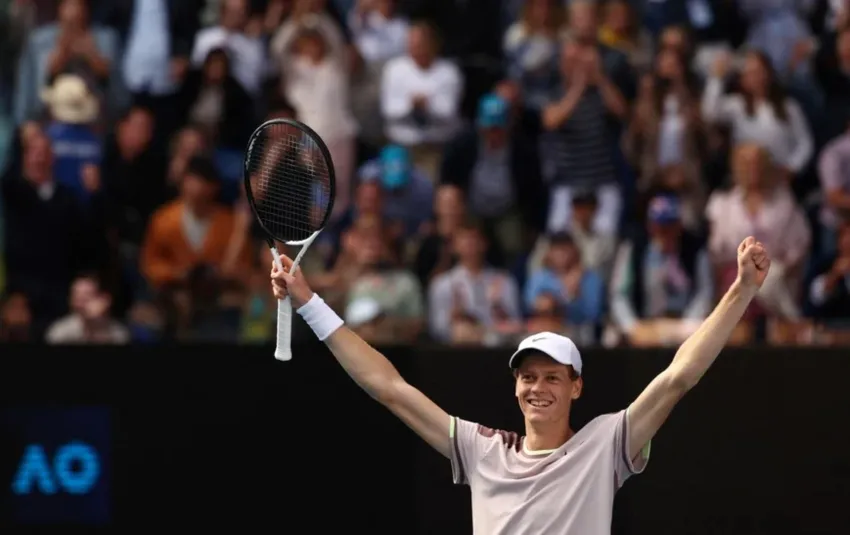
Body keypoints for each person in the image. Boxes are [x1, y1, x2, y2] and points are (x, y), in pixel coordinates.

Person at [270, 236, 771, 534]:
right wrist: (309, 300)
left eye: (553, 377)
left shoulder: (605, 445)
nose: (538, 387)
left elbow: (677, 378)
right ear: (514, 387)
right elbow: (389, 387)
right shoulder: (481, 449)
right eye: (528, 376)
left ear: (576, 388)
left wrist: (742, 290)